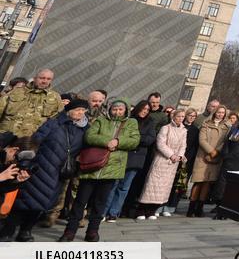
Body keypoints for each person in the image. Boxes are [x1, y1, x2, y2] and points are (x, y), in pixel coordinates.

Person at [0, 99, 84, 242]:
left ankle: (26, 231)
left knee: (43, 203)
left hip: (59, 172)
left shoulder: (84, 129)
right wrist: (26, 163)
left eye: (83, 111)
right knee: (23, 200)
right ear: (69, 110)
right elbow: (35, 141)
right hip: (40, 167)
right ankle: (8, 231)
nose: (80, 113)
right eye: (77, 110)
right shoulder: (54, 123)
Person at [61, 97, 139, 242]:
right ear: (109, 109)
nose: (117, 112)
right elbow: (89, 136)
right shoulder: (101, 120)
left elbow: (135, 141)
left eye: (120, 109)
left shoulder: (131, 123)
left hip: (112, 168)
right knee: (80, 200)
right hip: (91, 167)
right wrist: (106, 142)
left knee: (100, 202)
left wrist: (119, 141)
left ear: (126, 110)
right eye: (114, 109)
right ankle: (69, 231)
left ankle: (92, 231)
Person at [104, 100, 155, 222]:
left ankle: (113, 213)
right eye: (143, 108)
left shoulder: (150, 122)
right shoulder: (128, 119)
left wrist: (134, 138)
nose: (145, 111)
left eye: (147, 110)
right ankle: (103, 212)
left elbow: (150, 139)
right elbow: (120, 135)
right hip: (121, 155)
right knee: (112, 185)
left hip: (136, 159)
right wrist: (133, 139)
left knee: (124, 187)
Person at [137, 107, 188, 220]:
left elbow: (183, 145)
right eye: (178, 116)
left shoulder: (184, 130)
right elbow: (160, 144)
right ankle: (141, 209)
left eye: (182, 117)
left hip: (173, 164)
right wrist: (171, 155)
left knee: (163, 188)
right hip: (162, 159)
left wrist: (179, 155)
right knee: (152, 185)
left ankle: (152, 211)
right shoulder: (166, 128)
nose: (180, 118)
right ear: (173, 117)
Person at [188, 104, 228, 217]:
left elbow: (225, 141)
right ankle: (191, 207)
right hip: (203, 156)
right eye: (219, 112)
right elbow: (202, 140)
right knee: (198, 181)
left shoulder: (227, 126)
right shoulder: (206, 123)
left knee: (207, 183)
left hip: (216, 157)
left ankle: (199, 208)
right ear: (215, 112)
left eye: (222, 113)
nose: (220, 114)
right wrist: (211, 151)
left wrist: (216, 151)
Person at [0, 68, 60, 137]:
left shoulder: (55, 98)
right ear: (34, 78)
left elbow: (55, 123)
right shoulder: (17, 92)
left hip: (29, 142)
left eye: (48, 79)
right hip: (4, 137)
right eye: (42, 78)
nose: (45, 81)